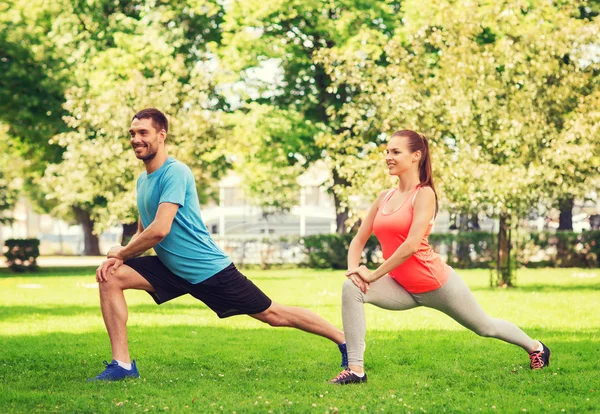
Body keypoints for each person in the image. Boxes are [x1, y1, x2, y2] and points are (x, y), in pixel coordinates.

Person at [90, 108, 347, 381]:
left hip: (207, 270)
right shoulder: (143, 179)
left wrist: (121, 251)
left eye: (143, 133)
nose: (136, 139)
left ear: (161, 135)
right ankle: (123, 365)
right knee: (110, 276)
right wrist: (121, 259)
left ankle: (344, 340)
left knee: (273, 314)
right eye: (132, 133)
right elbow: (145, 227)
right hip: (171, 268)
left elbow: (160, 230)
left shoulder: (175, 172)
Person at [329, 130, 551, 385]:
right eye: (387, 151)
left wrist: (373, 274)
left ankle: (536, 348)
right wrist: (354, 271)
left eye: (395, 152)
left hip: (436, 284)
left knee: (484, 327)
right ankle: (356, 370)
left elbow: (411, 245)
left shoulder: (424, 194)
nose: (388, 157)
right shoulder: (384, 198)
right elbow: (358, 239)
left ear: (416, 156)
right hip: (402, 287)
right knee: (351, 289)